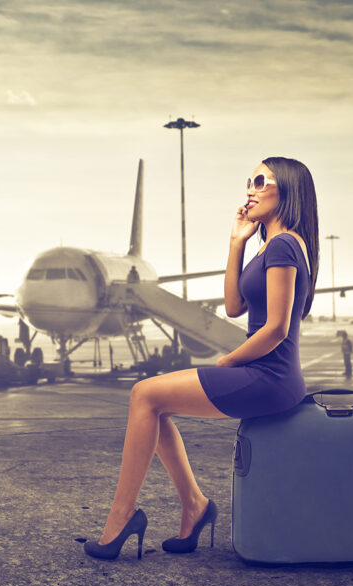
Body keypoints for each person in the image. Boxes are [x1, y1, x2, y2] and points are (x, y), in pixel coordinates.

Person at [83, 157, 319, 560]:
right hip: (267, 372)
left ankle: (123, 516)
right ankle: (194, 506)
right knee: (153, 404)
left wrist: (228, 363)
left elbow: (276, 329)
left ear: (289, 191)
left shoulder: (284, 244)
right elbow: (232, 306)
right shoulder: (271, 245)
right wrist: (236, 242)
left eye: (261, 181)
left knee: (144, 395)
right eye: (249, 180)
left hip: (270, 376)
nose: (250, 188)